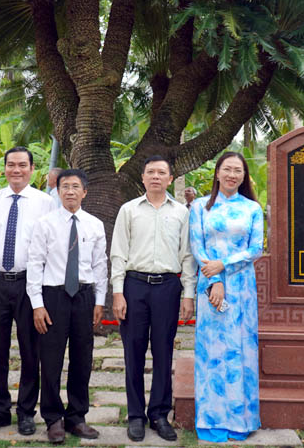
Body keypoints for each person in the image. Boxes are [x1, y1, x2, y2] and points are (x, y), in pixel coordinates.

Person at [111, 155, 196, 442]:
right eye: (151, 172)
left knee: (163, 353)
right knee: (133, 353)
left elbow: (187, 255)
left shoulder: (182, 213)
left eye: (162, 172)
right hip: (135, 287)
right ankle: (135, 414)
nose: (156, 176)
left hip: (167, 288)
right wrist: (118, 292)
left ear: (171, 179)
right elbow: (118, 253)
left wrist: (188, 294)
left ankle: (159, 413)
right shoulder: (129, 210)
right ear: (144, 177)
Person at [0, 147, 55, 435]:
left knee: (31, 349)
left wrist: (41, 296)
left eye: (22, 165)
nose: (15, 170)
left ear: (32, 169)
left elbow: (51, 247)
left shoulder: (45, 203)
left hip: (30, 284)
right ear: (4, 168)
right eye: (11, 165)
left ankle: (26, 411)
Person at [27, 169, 107, 444]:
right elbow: (35, 265)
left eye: (75, 187)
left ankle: (77, 417)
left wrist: (100, 301)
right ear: (58, 191)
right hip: (53, 296)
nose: (70, 191)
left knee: (82, 359)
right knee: (50, 360)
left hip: (84, 296)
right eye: (65, 187)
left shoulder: (95, 225)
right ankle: (52, 418)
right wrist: (37, 305)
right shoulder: (45, 224)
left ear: (85, 192)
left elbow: (100, 266)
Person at [188, 151, 263, 443]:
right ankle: (210, 419)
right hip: (209, 285)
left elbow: (255, 248)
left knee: (240, 349)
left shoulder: (252, 209)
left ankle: (241, 419)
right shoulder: (198, 207)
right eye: (228, 169)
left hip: (242, 288)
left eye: (238, 171)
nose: (233, 175)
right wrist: (215, 279)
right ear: (217, 172)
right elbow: (198, 247)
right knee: (212, 352)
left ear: (244, 177)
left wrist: (224, 265)